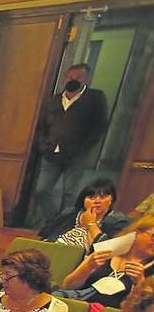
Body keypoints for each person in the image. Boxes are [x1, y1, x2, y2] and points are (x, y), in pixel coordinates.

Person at [29, 64, 110, 231]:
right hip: (51, 153)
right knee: (41, 190)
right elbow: (42, 126)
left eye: (78, 77)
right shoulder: (54, 100)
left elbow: (99, 127)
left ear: (86, 79)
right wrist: (43, 145)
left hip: (76, 155)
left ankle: (65, 227)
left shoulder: (95, 98)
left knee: (70, 193)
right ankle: (53, 222)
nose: (73, 80)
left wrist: (84, 148)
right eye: (70, 77)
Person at [59, 215, 154, 308]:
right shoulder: (107, 250)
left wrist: (139, 283)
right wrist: (88, 267)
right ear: (137, 233)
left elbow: (143, 311)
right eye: (153, 236)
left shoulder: (151, 271)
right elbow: (67, 286)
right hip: (73, 304)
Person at [43, 179, 131, 247]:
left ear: (111, 200)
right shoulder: (69, 214)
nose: (97, 201)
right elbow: (48, 237)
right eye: (91, 197)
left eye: (103, 197)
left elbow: (107, 252)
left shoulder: (118, 221)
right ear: (83, 200)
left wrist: (91, 224)